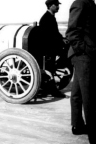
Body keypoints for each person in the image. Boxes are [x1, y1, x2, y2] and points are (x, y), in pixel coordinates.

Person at [66, 0, 96, 143]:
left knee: (77, 93)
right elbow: (71, 32)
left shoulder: (88, 3)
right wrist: (84, 50)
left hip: (81, 55)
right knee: (89, 95)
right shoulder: (81, 3)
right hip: (83, 56)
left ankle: (77, 125)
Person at [39, 0, 67, 98]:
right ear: (50, 5)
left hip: (51, 48)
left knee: (50, 69)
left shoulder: (50, 17)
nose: (58, 7)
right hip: (48, 49)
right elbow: (49, 36)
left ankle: (47, 90)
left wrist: (62, 39)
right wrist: (61, 41)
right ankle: (53, 91)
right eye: (56, 5)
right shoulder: (46, 18)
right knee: (49, 70)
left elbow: (55, 33)